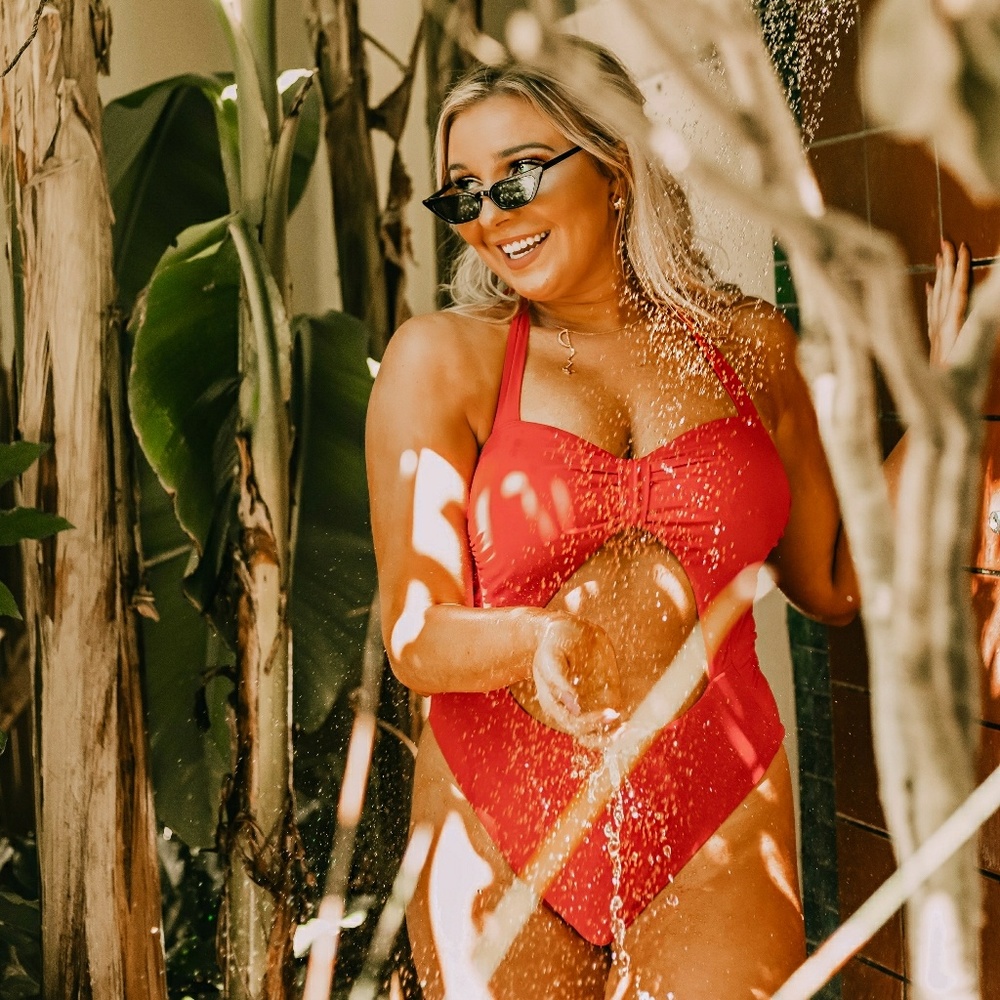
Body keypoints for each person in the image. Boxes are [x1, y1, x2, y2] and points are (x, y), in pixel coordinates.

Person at [365, 34, 965, 1000]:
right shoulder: (443, 360)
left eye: (518, 175)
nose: (490, 216)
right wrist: (529, 639)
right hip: (500, 811)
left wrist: (940, 413)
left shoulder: (747, 344)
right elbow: (415, 635)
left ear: (613, 165)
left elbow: (835, 584)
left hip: (716, 807)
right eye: (463, 193)